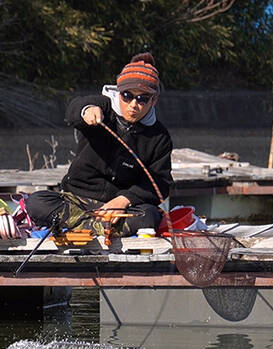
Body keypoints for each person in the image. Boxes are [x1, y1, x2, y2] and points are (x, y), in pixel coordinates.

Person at [25, 52, 173, 237]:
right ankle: (99, 227)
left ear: (154, 100)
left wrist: (124, 199)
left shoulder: (160, 137)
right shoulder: (104, 106)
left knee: (149, 217)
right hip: (77, 199)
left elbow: (160, 183)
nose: (133, 104)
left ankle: (81, 225)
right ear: (119, 93)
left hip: (119, 209)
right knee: (36, 203)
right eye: (127, 96)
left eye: (142, 99)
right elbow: (75, 108)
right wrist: (86, 111)